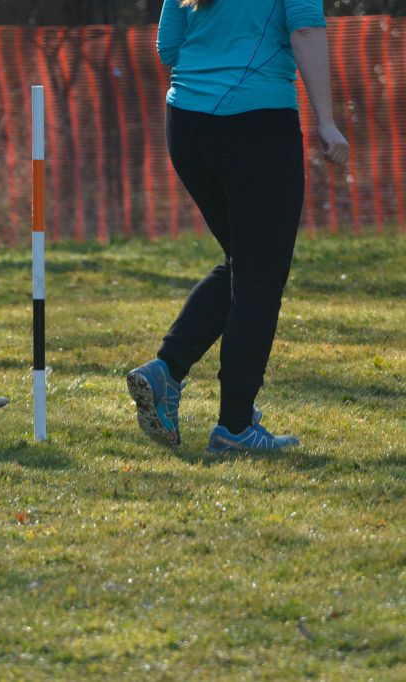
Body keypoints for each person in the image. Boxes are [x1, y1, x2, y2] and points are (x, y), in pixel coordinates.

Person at [126, 0, 349, 453]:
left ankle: (167, 371)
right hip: (255, 125)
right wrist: (326, 120)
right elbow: (305, 32)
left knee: (247, 262)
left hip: (187, 126)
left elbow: (167, 48)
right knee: (260, 276)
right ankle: (234, 427)